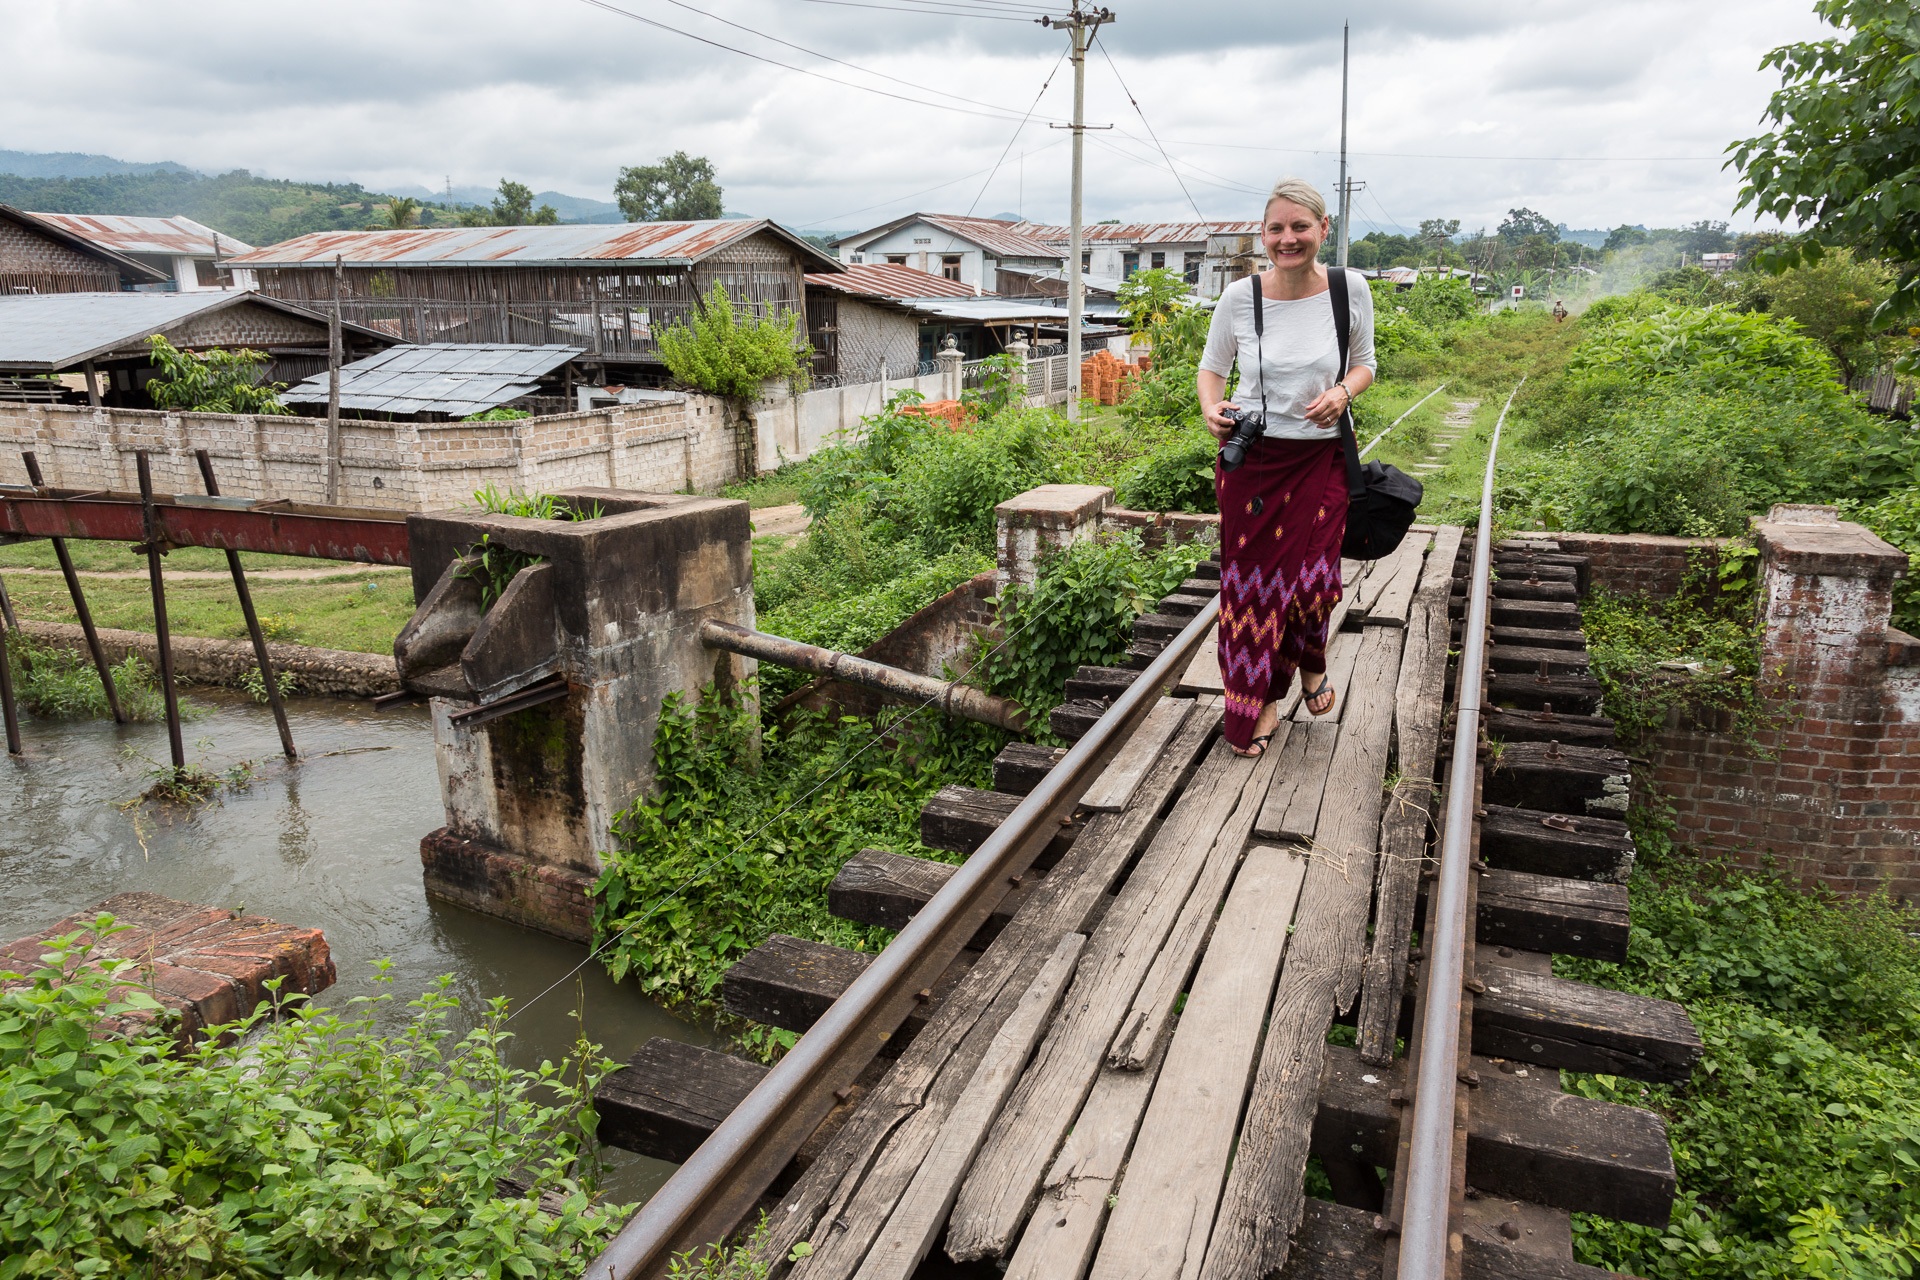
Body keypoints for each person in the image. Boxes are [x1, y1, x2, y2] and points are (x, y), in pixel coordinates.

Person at [1197, 177, 1376, 758]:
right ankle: (1261, 701)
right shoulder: (1239, 299)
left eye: (1300, 226)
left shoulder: (1350, 290)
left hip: (1322, 458)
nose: (1288, 238)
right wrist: (1211, 409)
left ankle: (1309, 661)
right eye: (1277, 228)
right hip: (1255, 464)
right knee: (1251, 591)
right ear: (1264, 235)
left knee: (1314, 583)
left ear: (1324, 230)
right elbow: (1211, 371)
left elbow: (1367, 364)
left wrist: (1344, 393)